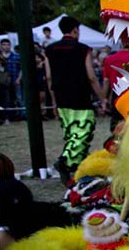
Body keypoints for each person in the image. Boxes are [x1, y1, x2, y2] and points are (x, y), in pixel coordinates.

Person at [45, 16, 105, 184]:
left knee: (72, 133)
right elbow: (91, 76)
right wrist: (102, 98)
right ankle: (64, 162)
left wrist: (54, 101)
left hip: (61, 97)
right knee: (83, 131)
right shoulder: (82, 49)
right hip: (80, 96)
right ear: (75, 30)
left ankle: (78, 167)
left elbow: (49, 77)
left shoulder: (50, 50)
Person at [101, 44, 129, 132]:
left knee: (116, 126)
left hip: (116, 95)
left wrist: (104, 99)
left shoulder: (109, 59)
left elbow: (106, 81)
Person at [0, 38, 20, 123]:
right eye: (4, 44)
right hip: (2, 82)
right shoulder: (0, 56)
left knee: (17, 99)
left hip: (15, 80)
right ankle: (5, 117)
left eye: (8, 44)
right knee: (5, 100)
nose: (6, 46)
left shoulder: (16, 56)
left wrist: (18, 79)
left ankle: (18, 115)